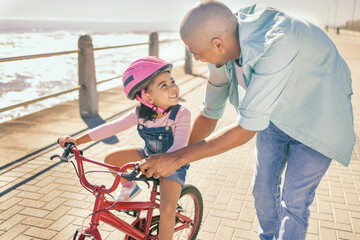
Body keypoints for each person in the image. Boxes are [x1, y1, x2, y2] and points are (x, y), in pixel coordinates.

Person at [139, 1, 355, 240]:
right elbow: (211, 112)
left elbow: (246, 128)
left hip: (319, 119)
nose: (197, 58)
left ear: (218, 44)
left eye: (196, 53)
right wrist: (171, 157)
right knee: (262, 189)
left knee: (294, 201)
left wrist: (175, 159)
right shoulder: (222, 50)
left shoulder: (277, 43)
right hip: (275, 113)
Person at [58, 56, 191, 240]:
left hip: (173, 163)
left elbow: (179, 147)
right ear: (147, 96)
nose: (173, 87)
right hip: (149, 156)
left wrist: (160, 164)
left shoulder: (181, 113)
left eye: (172, 82)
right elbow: (111, 127)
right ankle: (130, 188)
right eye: (164, 85)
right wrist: (77, 141)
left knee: (167, 210)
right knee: (111, 158)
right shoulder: (140, 114)